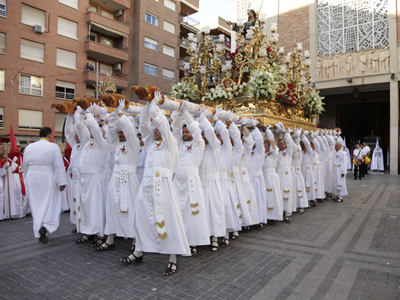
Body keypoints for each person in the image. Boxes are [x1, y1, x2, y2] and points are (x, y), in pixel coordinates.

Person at [132, 92, 190, 275]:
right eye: (154, 128)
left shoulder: (171, 143)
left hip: (163, 187)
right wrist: (148, 106)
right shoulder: (150, 144)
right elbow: (143, 125)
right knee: (140, 218)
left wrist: (155, 106)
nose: (155, 130)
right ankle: (138, 251)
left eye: (157, 128)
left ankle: (172, 259)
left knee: (169, 221)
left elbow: (164, 125)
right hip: (146, 186)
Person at [95, 101, 141, 259]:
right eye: (119, 132)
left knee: (132, 209)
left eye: (122, 132)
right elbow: (111, 130)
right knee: (112, 207)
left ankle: (135, 242)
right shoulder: (115, 144)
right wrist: (115, 113)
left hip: (129, 179)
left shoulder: (133, 143)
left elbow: (128, 129)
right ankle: (110, 239)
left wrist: (121, 113)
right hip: (115, 178)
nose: (120, 134)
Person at [171, 101, 210, 256]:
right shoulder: (179, 143)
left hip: (192, 182)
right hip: (177, 181)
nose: (185, 134)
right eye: (184, 132)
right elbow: (174, 131)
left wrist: (186, 113)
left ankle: (193, 242)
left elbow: (197, 132)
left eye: (187, 132)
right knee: (177, 211)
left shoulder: (198, 145)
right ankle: (179, 239)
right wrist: (180, 114)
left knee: (192, 213)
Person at [23, 127, 67, 244]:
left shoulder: (29, 147)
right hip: (47, 176)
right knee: (50, 202)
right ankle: (46, 227)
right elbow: (58, 165)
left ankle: (40, 228)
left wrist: (27, 178)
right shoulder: (53, 147)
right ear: (49, 135)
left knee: (36, 204)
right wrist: (61, 181)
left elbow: (25, 165)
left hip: (32, 177)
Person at [74, 108, 107, 248]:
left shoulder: (103, 144)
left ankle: (100, 234)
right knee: (85, 206)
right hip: (84, 180)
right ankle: (87, 231)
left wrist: (89, 113)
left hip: (95, 179)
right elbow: (79, 128)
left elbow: (96, 130)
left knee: (96, 206)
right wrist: (80, 113)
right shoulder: (87, 143)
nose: (93, 133)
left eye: (98, 132)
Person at [198, 108, 226, 251]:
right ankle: (199, 237)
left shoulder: (216, 146)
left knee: (214, 210)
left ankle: (215, 237)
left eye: (205, 134)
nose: (203, 136)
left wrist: (203, 118)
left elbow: (209, 131)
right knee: (201, 210)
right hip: (201, 183)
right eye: (202, 134)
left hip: (213, 183)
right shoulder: (200, 148)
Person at [213, 110, 241, 248]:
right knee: (213, 210)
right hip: (213, 182)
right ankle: (213, 236)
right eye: (216, 135)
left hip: (223, 182)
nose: (218, 137)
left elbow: (225, 132)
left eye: (219, 135)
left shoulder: (227, 149)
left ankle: (225, 235)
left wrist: (217, 121)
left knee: (225, 210)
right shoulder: (212, 148)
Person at [65, 109, 89, 231]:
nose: (75, 136)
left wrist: (78, 113)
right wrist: (69, 116)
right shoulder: (75, 144)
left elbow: (81, 128)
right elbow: (68, 132)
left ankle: (84, 224)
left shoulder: (85, 142)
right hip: (74, 179)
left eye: (77, 134)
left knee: (83, 202)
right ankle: (77, 223)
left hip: (83, 179)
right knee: (74, 202)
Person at [248, 122, 267, 228]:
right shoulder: (247, 150)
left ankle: (259, 220)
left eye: (253, 139)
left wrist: (254, 128)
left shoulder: (260, 151)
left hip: (257, 179)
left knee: (258, 200)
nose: (253, 142)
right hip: (248, 179)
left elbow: (259, 141)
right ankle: (249, 221)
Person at [262, 127, 283, 222]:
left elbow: (273, 144)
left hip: (272, 176)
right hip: (264, 177)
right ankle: (265, 216)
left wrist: (268, 132)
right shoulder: (261, 155)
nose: (264, 148)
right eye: (264, 146)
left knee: (273, 196)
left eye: (266, 146)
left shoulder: (274, 154)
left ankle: (273, 216)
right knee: (264, 197)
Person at [275, 122, 294, 223]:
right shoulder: (276, 152)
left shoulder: (289, 152)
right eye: (279, 144)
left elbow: (290, 143)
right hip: (279, 176)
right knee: (279, 195)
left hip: (286, 177)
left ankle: (287, 214)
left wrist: (286, 133)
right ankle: (278, 213)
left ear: (285, 145)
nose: (280, 145)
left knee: (287, 195)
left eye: (281, 143)